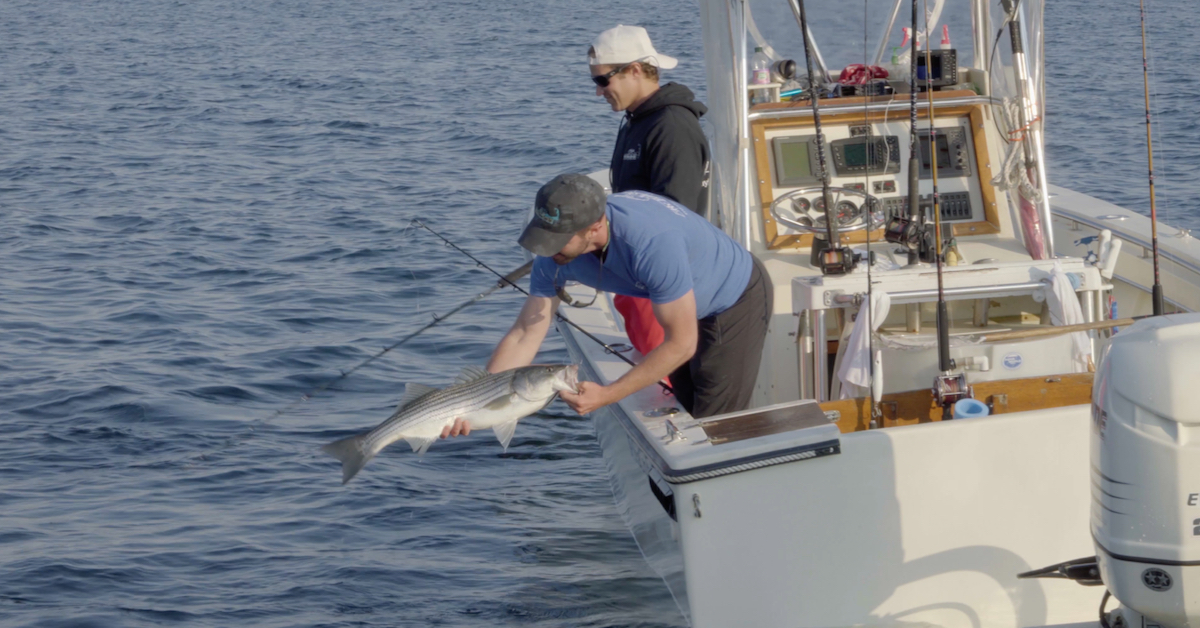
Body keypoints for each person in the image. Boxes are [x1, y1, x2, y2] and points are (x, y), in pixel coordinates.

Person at [441, 174, 772, 441]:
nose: (548, 251)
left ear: (595, 227)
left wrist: (608, 394)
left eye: (558, 241)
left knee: (715, 425)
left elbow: (681, 343)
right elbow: (526, 332)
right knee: (685, 407)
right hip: (681, 302)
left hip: (734, 298)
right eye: (544, 237)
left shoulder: (650, 243)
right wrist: (476, 402)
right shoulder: (551, 258)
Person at [588, 24, 712, 360]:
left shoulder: (671, 126)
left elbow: (675, 215)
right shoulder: (636, 119)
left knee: (663, 365)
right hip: (638, 270)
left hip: (658, 276)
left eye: (602, 81)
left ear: (634, 70)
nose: (598, 92)